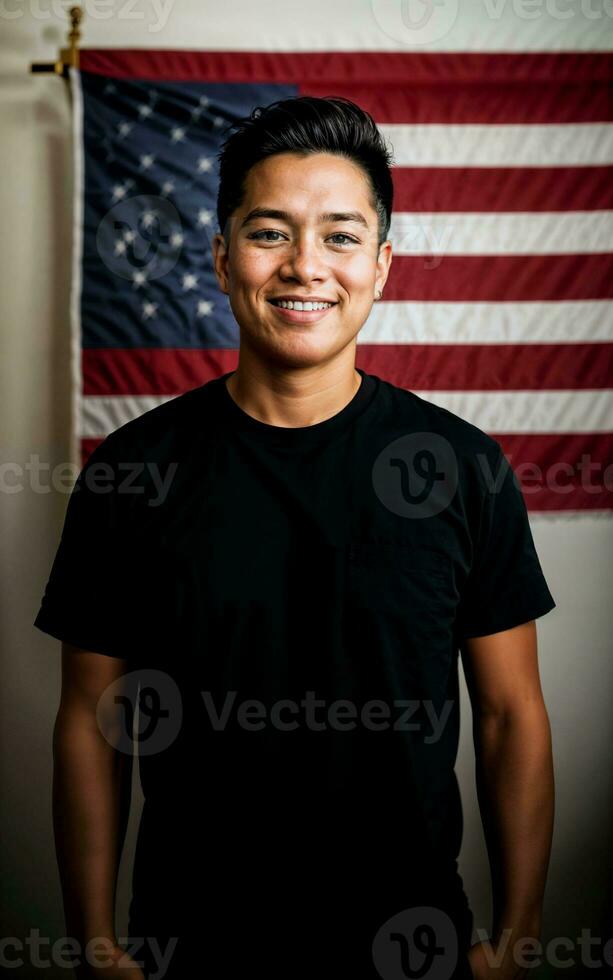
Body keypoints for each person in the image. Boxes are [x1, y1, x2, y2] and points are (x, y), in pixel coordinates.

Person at [35, 95, 556, 980]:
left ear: (383, 264)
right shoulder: (133, 472)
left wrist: (517, 936)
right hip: (192, 947)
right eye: (269, 232)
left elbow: (510, 715)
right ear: (220, 255)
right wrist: (93, 941)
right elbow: (91, 720)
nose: (304, 266)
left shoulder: (462, 468)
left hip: (410, 947)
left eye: (341, 237)